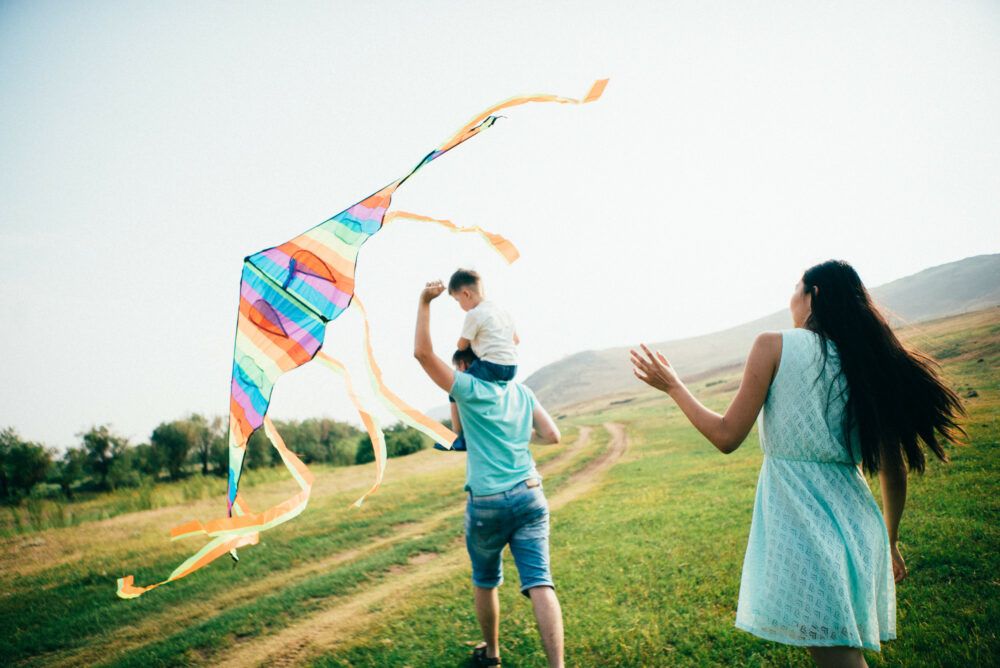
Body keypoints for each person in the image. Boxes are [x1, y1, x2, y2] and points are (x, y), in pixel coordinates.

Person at [630, 260, 964, 668]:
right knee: (836, 655)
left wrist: (674, 387)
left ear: (814, 295)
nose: (790, 298)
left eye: (795, 288)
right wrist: (890, 541)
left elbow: (726, 436)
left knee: (839, 659)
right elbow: (894, 469)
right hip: (859, 527)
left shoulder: (773, 345)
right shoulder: (866, 360)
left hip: (805, 530)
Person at [414, 279, 565, 668]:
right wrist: (518, 437)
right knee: (540, 581)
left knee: (486, 579)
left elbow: (422, 353)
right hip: (530, 492)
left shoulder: (468, 391)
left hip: (487, 503)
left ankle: (492, 656)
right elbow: (553, 435)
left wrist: (425, 302)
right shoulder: (523, 392)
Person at [449, 268, 520, 383]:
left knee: (456, 385)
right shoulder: (502, 312)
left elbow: (461, 346)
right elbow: (516, 340)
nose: (459, 304)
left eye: (457, 300)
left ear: (466, 294)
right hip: (512, 367)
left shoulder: (474, 314)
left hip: (492, 366)